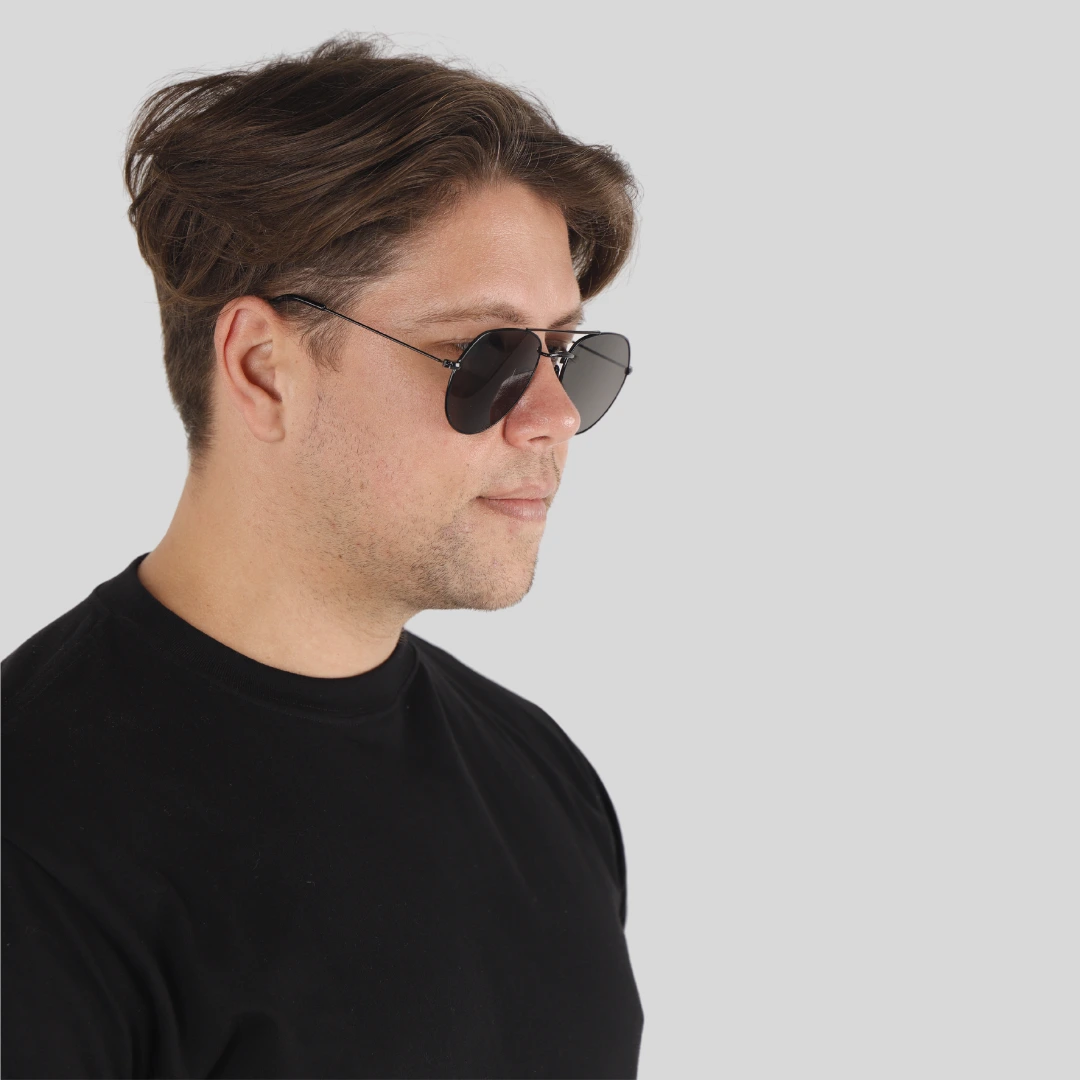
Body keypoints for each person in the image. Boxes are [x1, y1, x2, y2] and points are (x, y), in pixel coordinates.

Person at [1, 34, 642, 1080]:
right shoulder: (33, 836)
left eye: (566, 353)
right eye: (488, 354)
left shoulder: (540, 780)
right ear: (263, 368)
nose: (555, 416)